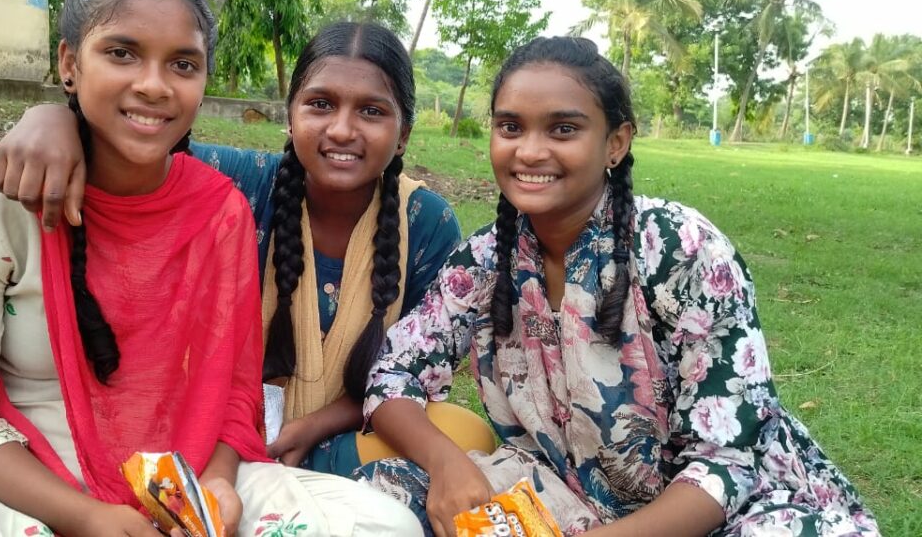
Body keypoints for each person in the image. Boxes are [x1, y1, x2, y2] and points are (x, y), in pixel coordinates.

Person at [0, 0, 421, 535]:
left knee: (386, 524)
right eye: (122, 53)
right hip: (36, 487)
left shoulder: (221, 210)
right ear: (69, 63)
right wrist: (87, 518)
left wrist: (213, 486)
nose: (153, 85)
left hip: (187, 478)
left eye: (182, 64)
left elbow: (236, 395)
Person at [357, 37, 880, 537]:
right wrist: (446, 464)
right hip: (563, 496)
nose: (530, 151)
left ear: (616, 142)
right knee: (383, 504)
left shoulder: (680, 247)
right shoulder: (489, 257)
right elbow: (394, 373)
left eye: (563, 129)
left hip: (729, 510)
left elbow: (727, 462)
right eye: (510, 127)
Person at [0, 21, 484, 476]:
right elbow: (133, 148)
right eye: (320, 104)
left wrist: (316, 424)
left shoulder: (426, 221)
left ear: (403, 136)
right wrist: (54, 118)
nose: (342, 130)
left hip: (349, 435)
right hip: (222, 439)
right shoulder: (237, 184)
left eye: (372, 111)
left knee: (467, 434)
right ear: (289, 116)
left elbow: (413, 373)